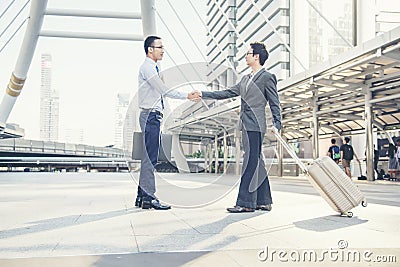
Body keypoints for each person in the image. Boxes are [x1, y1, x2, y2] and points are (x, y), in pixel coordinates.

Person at [192, 42, 281, 213]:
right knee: (257, 161)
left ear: (256, 56)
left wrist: (277, 123)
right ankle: (264, 201)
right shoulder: (245, 79)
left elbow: (274, 103)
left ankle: (246, 203)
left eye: (248, 53)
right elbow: (226, 93)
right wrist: (204, 94)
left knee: (250, 162)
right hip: (245, 124)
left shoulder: (267, 77)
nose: (245, 56)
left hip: (256, 125)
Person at [136, 36, 198, 210]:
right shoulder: (148, 68)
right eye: (160, 47)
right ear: (150, 49)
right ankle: (149, 196)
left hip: (151, 115)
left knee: (148, 156)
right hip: (150, 115)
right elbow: (163, 90)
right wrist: (186, 96)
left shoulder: (152, 67)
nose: (163, 50)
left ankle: (142, 196)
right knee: (150, 157)